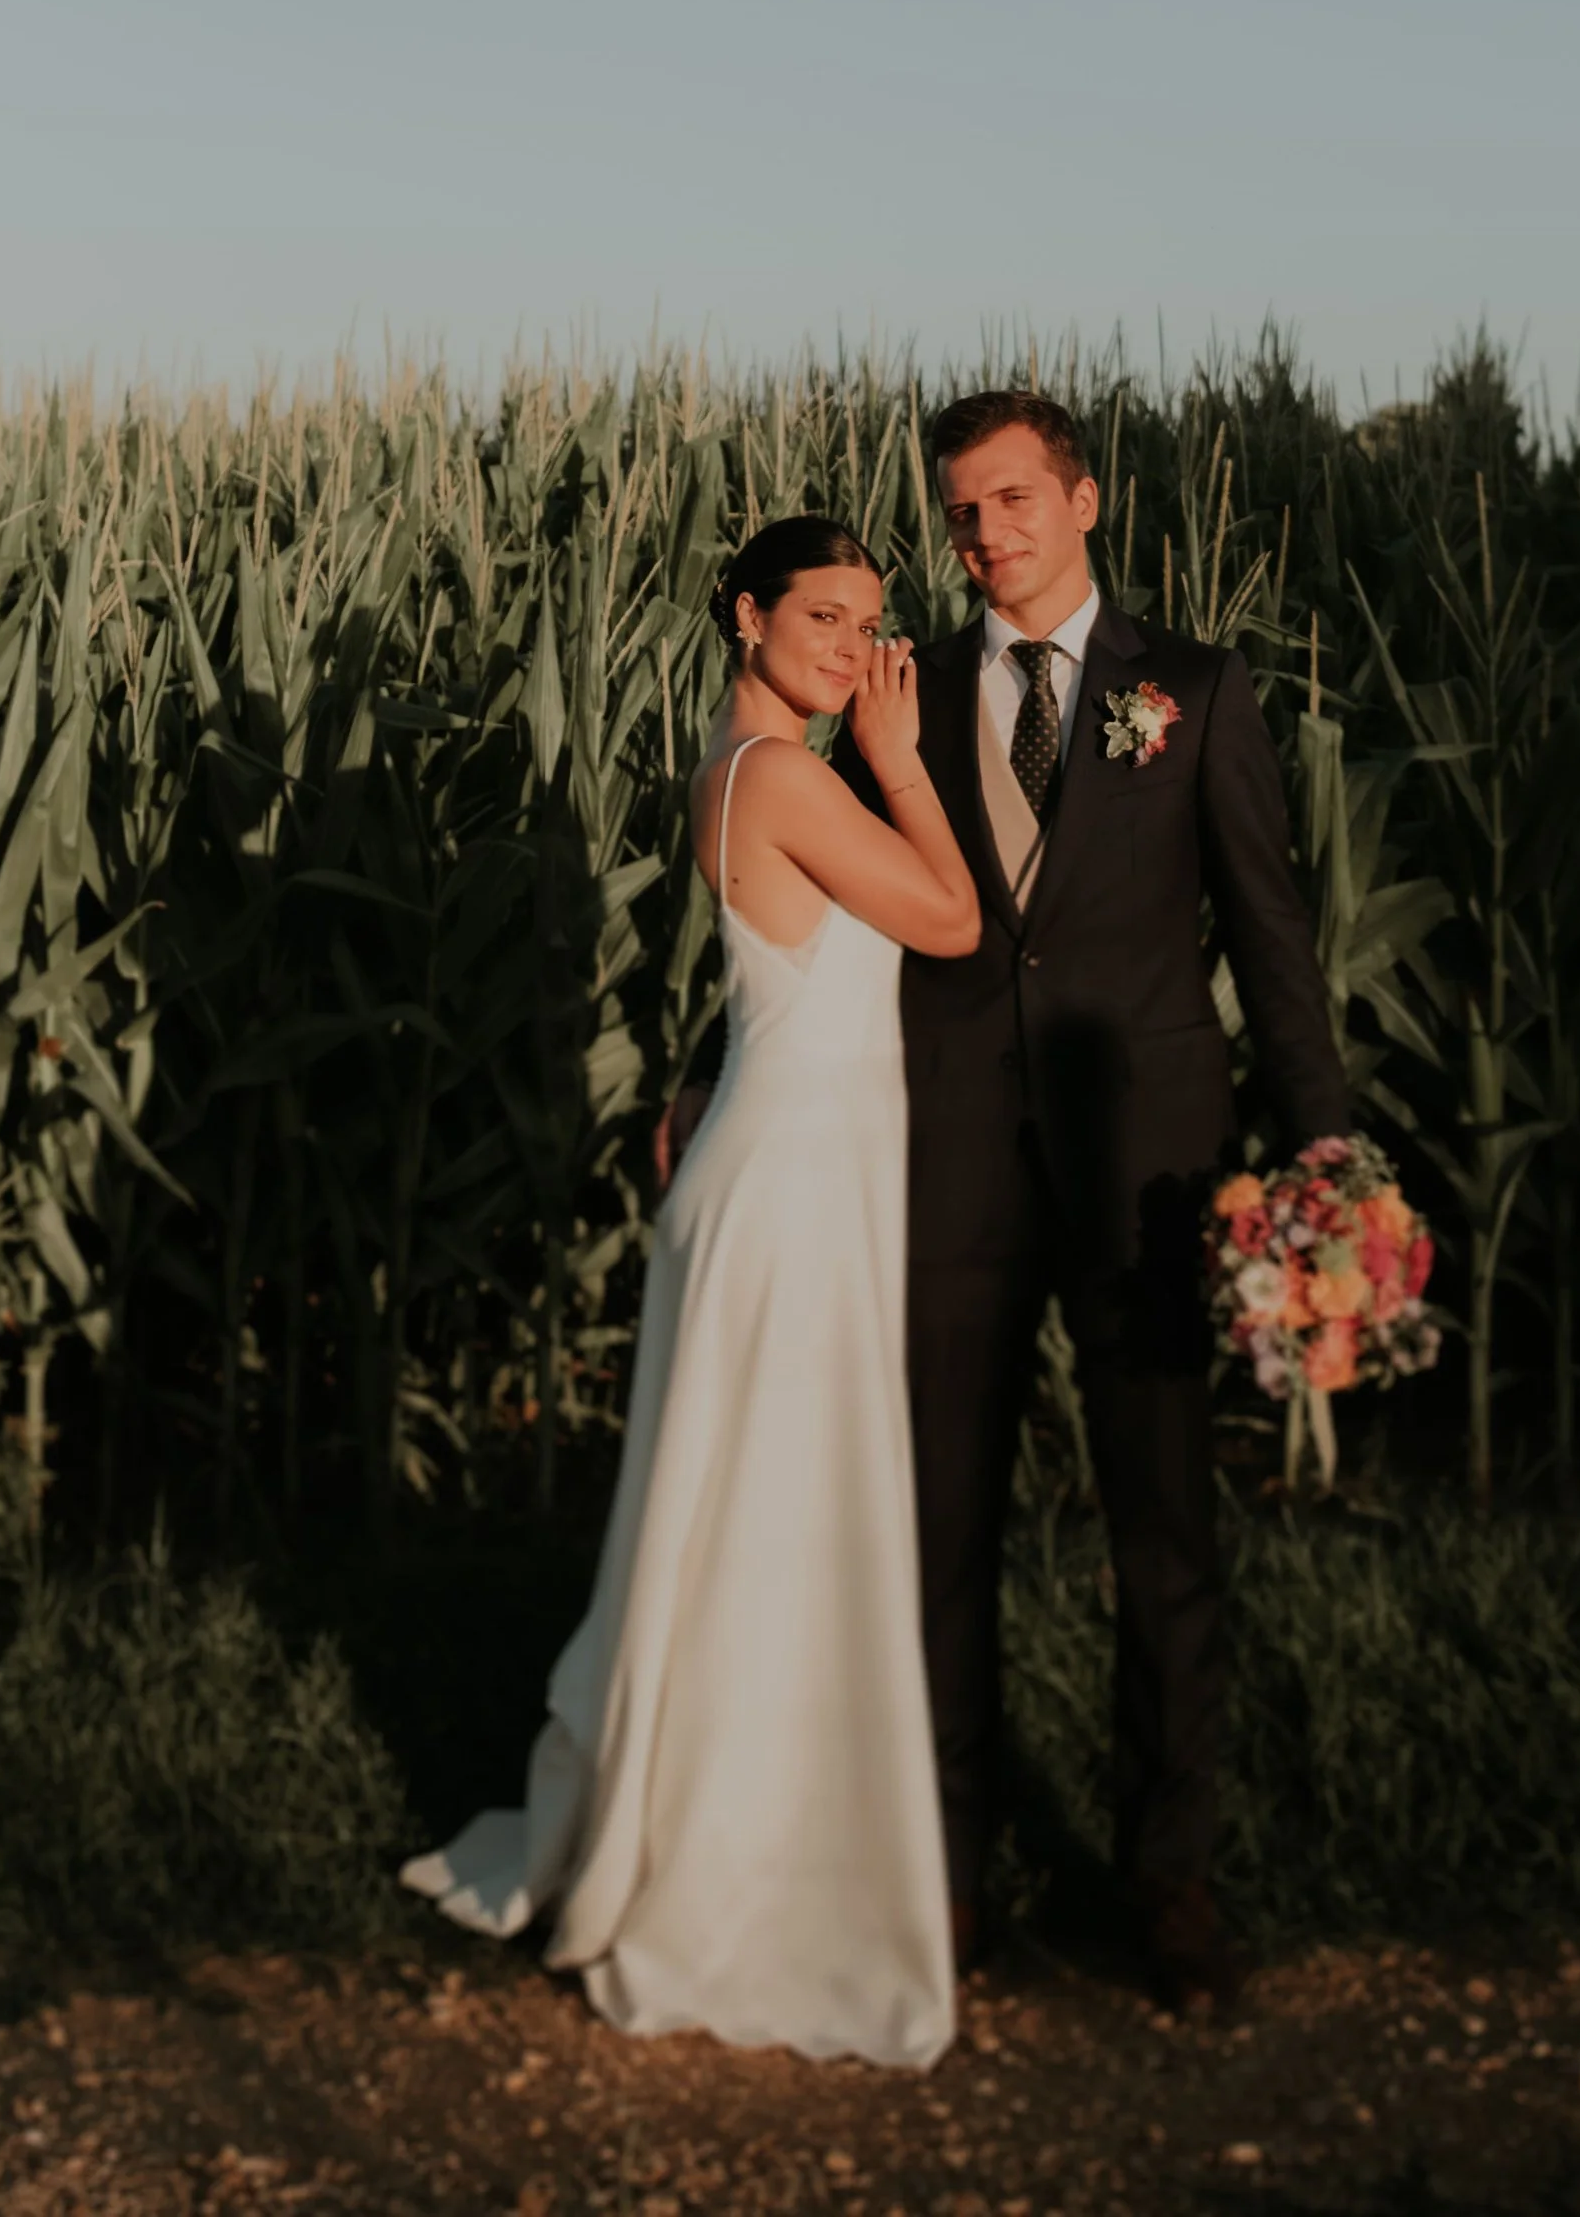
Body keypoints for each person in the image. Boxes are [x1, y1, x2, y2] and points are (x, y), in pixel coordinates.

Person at [667, 390, 1349, 2019]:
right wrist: (711, 1055)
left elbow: (1269, 934)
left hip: (1149, 1163)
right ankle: (947, 1872)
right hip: (947, 1150)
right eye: (965, 510)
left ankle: (1167, 1879)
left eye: (1016, 499)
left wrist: (1327, 1151)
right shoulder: (898, 689)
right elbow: (806, 898)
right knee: (939, 1527)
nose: (989, 532)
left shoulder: (1193, 690)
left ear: (1086, 500)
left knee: (1164, 1528)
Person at [403, 516, 979, 2068]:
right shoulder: (792, 772)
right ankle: (739, 1862)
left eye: (870, 622)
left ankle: (727, 1819)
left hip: (783, 1163)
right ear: (745, 614)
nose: (851, 646)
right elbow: (949, 919)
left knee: (750, 1511)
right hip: (791, 1192)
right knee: (775, 1514)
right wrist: (905, 753)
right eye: (820, 615)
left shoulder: (743, 768)